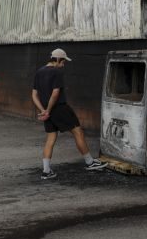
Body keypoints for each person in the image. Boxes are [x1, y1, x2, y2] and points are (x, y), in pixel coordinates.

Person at [32, 48, 106, 179]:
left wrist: (43, 110)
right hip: (60, 108)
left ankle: (46, 171)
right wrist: (48, 110)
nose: (63, 64)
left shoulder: (39, 71)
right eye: (63, 61)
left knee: (50, 139)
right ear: (58, 60)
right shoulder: (57, 72)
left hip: (47, 111)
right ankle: (90, 162)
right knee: (78, 132)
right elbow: (55, 94)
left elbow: (34, 95)